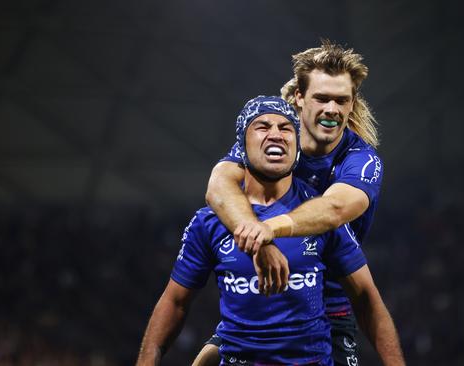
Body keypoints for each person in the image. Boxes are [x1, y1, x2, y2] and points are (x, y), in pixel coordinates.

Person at [136, 96, 402, 365]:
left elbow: (368, 300)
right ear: (241, 145)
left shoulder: (319, 217)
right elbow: (175, 302)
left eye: (286, 128)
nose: (275, 134)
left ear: (297, 146)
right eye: (262, 127)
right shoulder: (209, 223)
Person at [199, 41, 403, 365]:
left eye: (342, 100)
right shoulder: (274, 140)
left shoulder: (362, 160)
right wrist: (259, 240)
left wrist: (267, 231)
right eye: (322, 98)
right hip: (263, 295)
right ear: (299, 98)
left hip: (328, 307)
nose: (332, 110)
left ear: (352, 105)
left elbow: (334, 209)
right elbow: (218, 184)